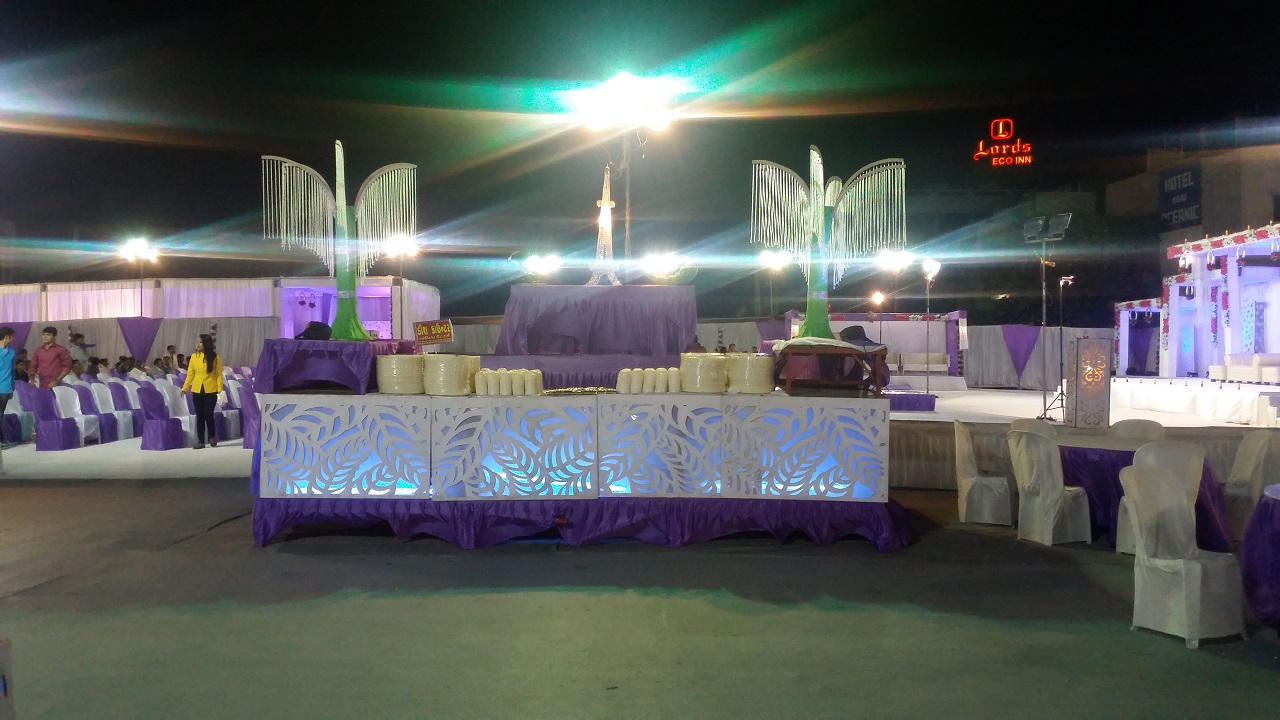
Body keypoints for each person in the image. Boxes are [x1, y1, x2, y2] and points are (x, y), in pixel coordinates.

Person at [182, 333, 223, 449]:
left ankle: (212, 436)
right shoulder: (194, 357)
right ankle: (201, 441)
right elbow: (190, 374)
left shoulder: (215, 357)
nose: (198, 344)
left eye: (200, 342)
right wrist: (184, 388)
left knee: (208, 414)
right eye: (197, 342)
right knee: (199, 415)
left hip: (211, 390)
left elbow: (218, 375)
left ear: (206, 343)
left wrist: (220, 389)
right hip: (197, 390)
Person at [0, 326, 15, 412]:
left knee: (1, 412)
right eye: (12, 337)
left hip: (6, 388)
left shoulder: (12, 352)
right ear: (7, 337)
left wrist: (12, 388)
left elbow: (12, 371)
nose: (13, 340)